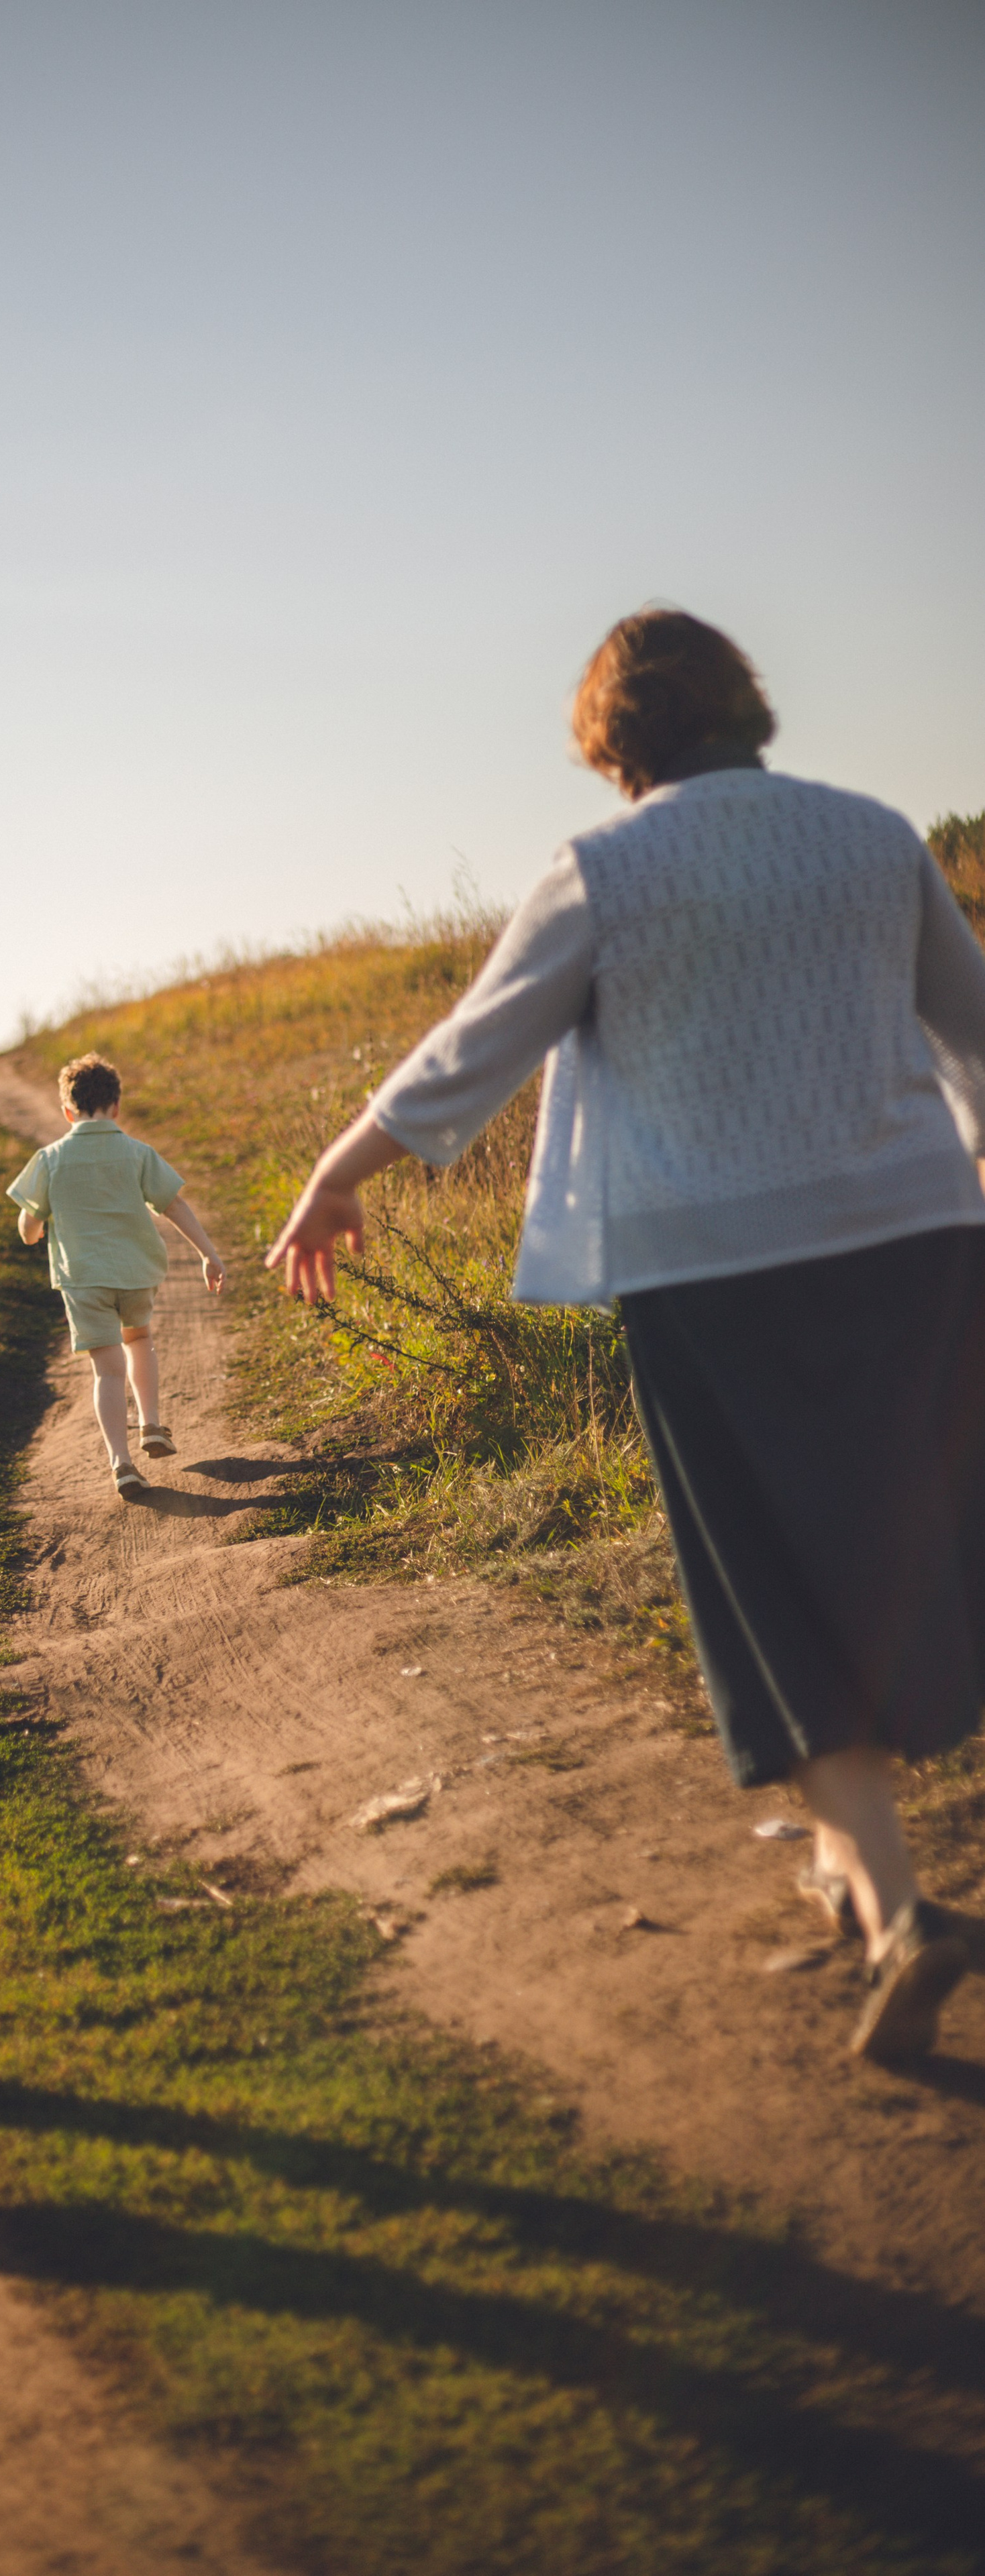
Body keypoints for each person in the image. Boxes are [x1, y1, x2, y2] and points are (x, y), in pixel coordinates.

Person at [268, 609, 985, 2067]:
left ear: (614, 745)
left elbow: (470, 1048)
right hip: (911, 1248)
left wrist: (335, 1174)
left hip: (712, 1272)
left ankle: (895, 1905)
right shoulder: (869, 833)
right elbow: (973, 1028)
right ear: (744, 707)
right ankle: (856, 1893)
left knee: (768, 1579)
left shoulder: (602, 869)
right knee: (915, 1539)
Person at [7, 1053, 225, 1497]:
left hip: (83, 1278)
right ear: (117, 1106)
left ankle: (121, 1463)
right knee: (139, 1339)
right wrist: (208, 1253)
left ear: (68, 1111)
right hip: (134, 1271)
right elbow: (174, 1205)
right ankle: (151, 1424)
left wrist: (34, 1225)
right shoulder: (137, 1153)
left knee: (107, 1371)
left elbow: (29, 1226)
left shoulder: (49, 1160)